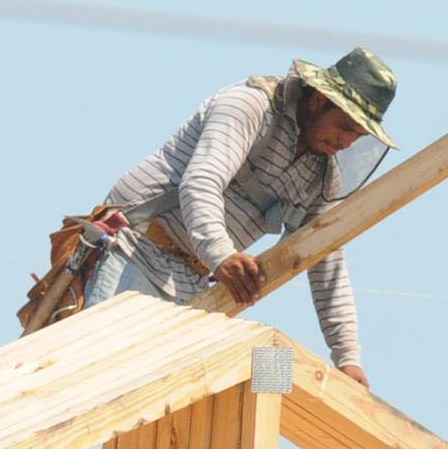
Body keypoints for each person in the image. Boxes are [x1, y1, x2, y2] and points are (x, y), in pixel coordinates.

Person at [23, 48, 397, 384]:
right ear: (318, 100)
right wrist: (222, 256)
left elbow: (326, 260)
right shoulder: (250, 106)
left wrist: (347, 358)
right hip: (136, 247)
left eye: (359, 134)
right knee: (90, 374)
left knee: (168, 397)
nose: (347, 142)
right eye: (345, 126)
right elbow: (201, 181)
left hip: (193, 280)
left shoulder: (320, 177)